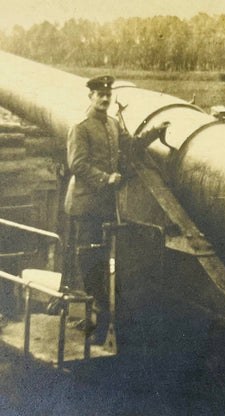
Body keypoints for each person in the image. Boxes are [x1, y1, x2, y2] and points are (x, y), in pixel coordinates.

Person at [64, 75, 127, 344]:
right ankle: (94, 317)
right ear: (90, 97)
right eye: (100, 95)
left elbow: (125, 149)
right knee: (88, 259)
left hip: (105, 206)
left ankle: (99, 315)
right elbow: (77, 164)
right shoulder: (81, 126)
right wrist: (105, 178)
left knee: (102, 260)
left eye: (108, 94)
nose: (104, 98)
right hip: (85, 203)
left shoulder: (113, 124)